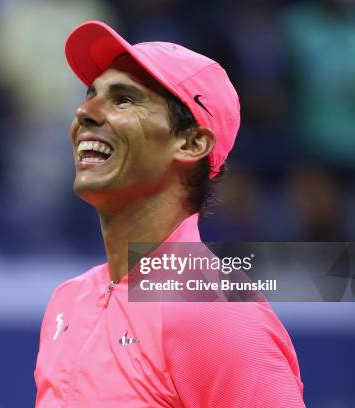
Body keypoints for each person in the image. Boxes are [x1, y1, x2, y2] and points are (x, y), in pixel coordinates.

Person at [34, 21, 305, 407]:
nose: (84, 112)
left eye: (124, 99)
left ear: (191, 142)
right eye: (90, 94)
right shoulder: (68, 301)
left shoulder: (216, 314)